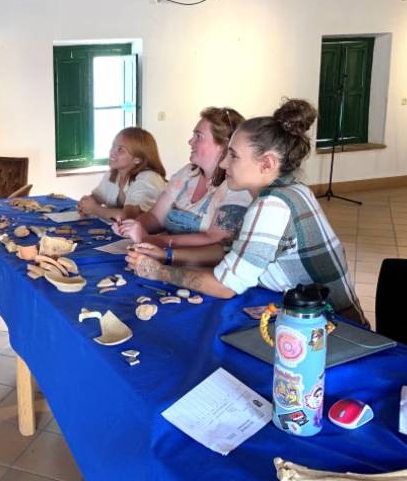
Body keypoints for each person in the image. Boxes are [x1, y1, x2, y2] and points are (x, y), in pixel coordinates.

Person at [126, 99, 368, 325]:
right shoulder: (291, 189)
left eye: (233, 156)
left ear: (267, 164)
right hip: (318, 321)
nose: (223, 164)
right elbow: (228, 251)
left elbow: (224, 286)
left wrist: (159, 272)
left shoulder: (272, 205)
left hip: (332, 331)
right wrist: (167, 255)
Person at [114, 107, 251, 248]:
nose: (190, 142)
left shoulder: (235, 187)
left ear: (223, 145)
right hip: (165, 256)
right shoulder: (187, 174)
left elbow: (215, 241)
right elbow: (155, 217)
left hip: (195, 267)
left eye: (199, 136)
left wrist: (148, 239)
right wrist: (130, 226)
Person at [77, 127, 166, 221]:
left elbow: (128, 217)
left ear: (137, 159)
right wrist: (85, 203)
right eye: (113, 146)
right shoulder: (114, 173)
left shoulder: (149, 178)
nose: (112, 152)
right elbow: (97, 197)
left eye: (120, 150)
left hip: (147, 235)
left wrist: (94, 209)